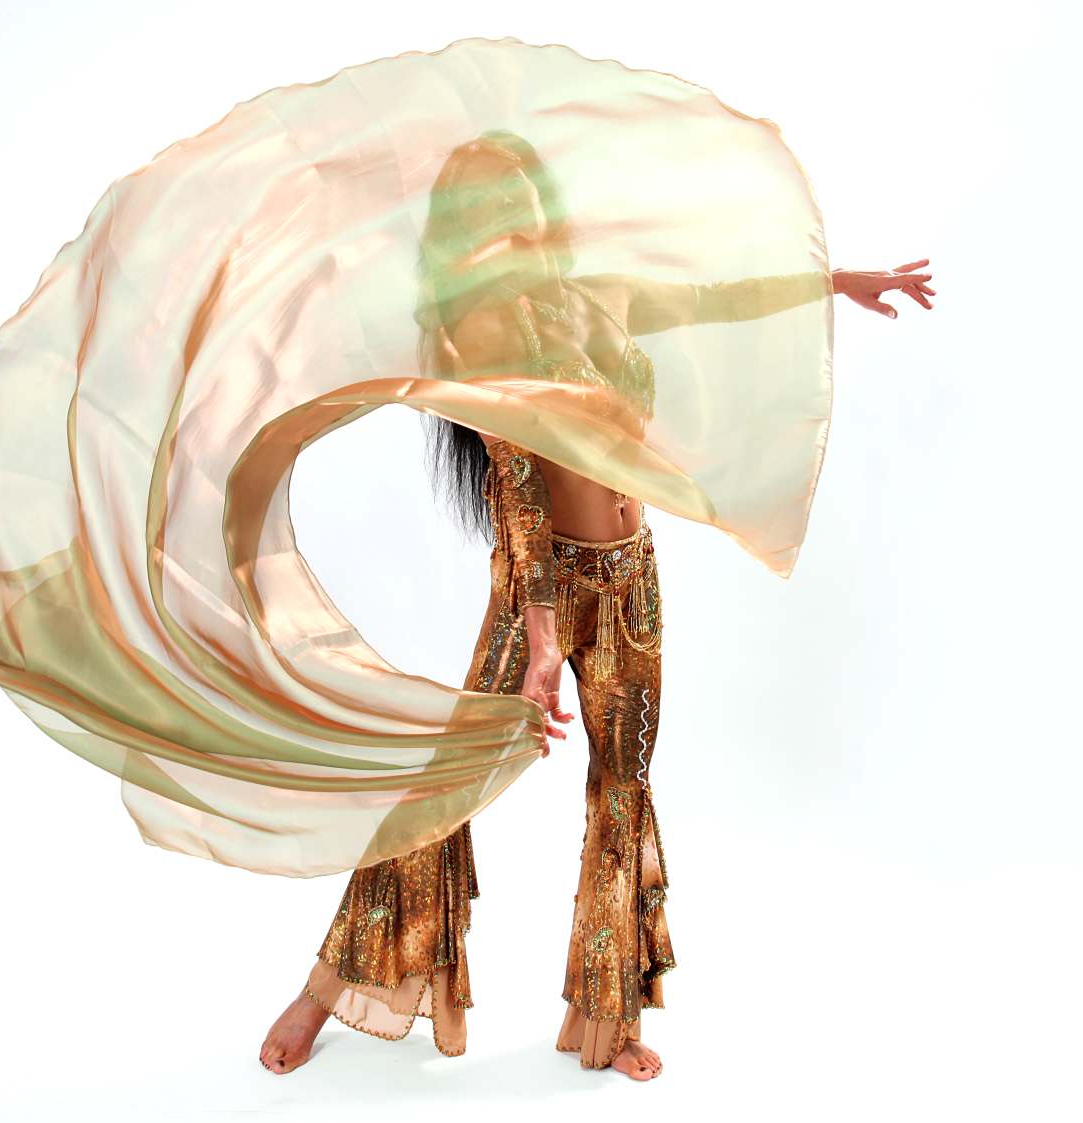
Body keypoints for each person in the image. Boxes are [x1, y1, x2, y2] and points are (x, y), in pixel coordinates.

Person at [259, 131, 936, 1081]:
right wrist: (540, 641)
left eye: (522, 204)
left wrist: (835, 282)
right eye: (489, 215)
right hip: (537, 590)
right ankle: (327, 985)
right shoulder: (475, 340)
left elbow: (713, 298)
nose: (513, 226)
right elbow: (520, 501)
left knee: (623, 785)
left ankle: (607, 1017)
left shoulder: (596, 296)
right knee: (452, 779)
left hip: (631, 581)